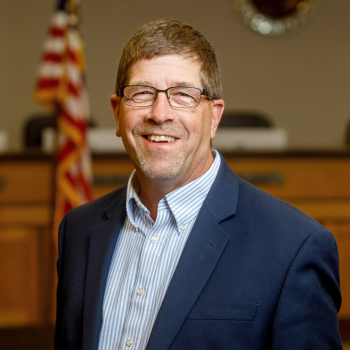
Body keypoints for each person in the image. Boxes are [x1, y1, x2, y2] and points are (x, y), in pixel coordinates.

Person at [54, 19, 342, 350]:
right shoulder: (78, 230)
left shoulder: (294, 246)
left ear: (214, 116)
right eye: (142, 93)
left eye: (183, 95)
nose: (160, 113)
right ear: (118, 112)